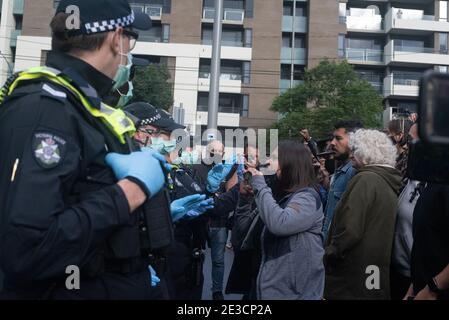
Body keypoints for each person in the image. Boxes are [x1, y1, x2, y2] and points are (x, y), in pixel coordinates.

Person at [0, 0, 176, 299]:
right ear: (115, 38)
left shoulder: (83, 108)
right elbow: (28, 250)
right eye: (129, 40)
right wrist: (131, 191)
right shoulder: (46, 109)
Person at [123, 102, 213, 300]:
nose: (173, 143)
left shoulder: (173, 169)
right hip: (143, 265)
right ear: (137, 133)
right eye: (155, 133)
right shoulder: (127, 168)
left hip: (175, 260)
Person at [324, 129, 403, 300]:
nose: (351, 155)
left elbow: (350, 230)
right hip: (373, 272)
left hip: (352, 275)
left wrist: (330, 252)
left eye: (355, 150)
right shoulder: (386, 181)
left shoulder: (365, 179)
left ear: (368, 152)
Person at [246, 140, 325, 300]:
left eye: (275, 158)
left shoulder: (307, 197)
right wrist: (243, 198)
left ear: (290, 163)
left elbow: (280, 223)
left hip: (294, 293)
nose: (268, 162)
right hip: (270, 288)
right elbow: (242, 230)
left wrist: (260, 186)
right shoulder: (281, 193)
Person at [192, 140, 239, 300]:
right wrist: (214, 195)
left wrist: (216, 198)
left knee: (218, 260)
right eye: (213, 152)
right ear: (207, 152)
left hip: (219, 221)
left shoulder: (229, 169)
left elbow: (232, 195)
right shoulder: (197, 168)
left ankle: (217, 291)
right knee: (195, 256)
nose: (217, 155)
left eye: (220, 152)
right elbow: (194, 192)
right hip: (199, 220)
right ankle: (193, 287)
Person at [391, 122, 424, 300]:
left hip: (418, 282)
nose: (406, 146)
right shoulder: (410, 176)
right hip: (397, 271)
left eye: (411, 141)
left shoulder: (438, 185)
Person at [403, 182, 449, 300]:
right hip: (421, 288)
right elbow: (428, 242)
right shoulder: (433, 184)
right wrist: (413, 287)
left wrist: (433, 288)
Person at [322, 120, 363, 240]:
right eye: (332, 138)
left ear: (354, 141)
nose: (332, 143)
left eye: (338, 138)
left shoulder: (354, 172)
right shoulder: (341, 169)